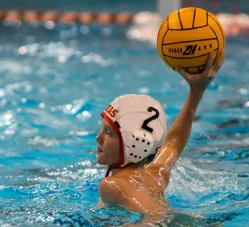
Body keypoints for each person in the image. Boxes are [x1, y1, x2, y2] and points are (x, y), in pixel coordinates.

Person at [95, 50, 225, 224]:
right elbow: (173, 143)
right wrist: (196, 91)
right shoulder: (154, 178)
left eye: (109, 133)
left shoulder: (111, 185)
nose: (98, 138)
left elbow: (157, 215)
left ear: (132, 143)